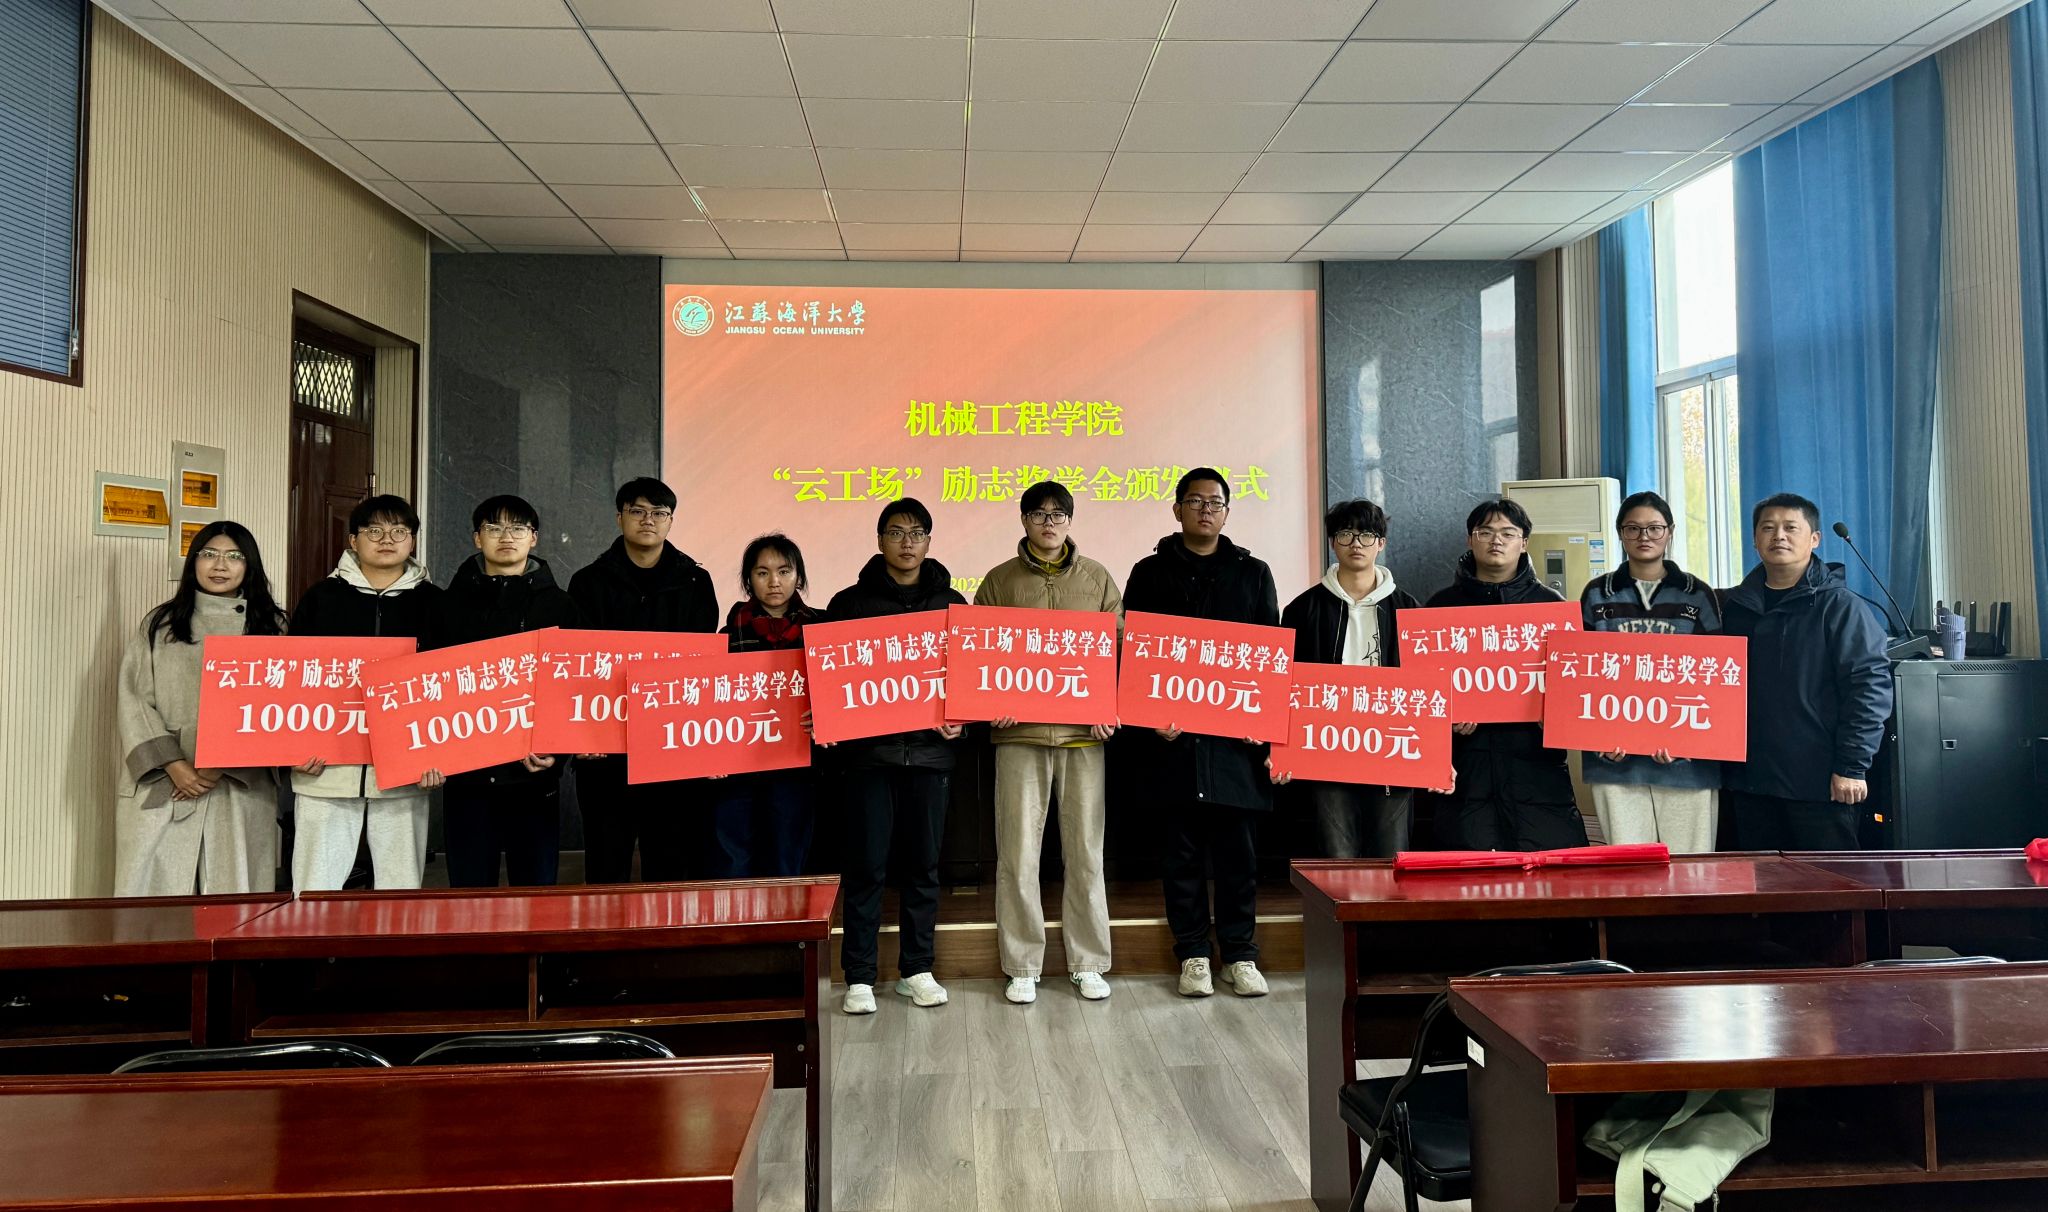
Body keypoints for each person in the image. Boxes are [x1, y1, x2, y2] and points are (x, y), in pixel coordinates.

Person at [1123, 468, 1278, 999]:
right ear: (1177, 510)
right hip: (1173, 745)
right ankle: (1192, 955)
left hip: (1235, 746)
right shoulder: (1149, 573)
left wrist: (1262, 718)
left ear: (1227, 512)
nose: (1205, 510)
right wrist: (1149, 717)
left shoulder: (1253, 573)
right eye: (1195, 501)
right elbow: (1136, 654)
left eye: (1215, 502)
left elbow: (1269, 654)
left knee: (1239, 859)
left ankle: (1239, 955)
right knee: (1180, 858)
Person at [973, 480, 1123, 1004]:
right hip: (1020, 735)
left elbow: (1118, 652)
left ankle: (1088, 961)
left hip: (1084, 738)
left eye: (1058, 514)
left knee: (1085, 853)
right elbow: (979, 657)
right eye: (1038, 513)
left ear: (1070, 521)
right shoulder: (998, 581)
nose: (1049, 522)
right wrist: (991, 702)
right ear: (1023, 520)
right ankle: (1022, 964)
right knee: (1017, 853)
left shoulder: (1097, 579)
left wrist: (1110, 708)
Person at [825, 499, 965, 1016]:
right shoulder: (848, 604)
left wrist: (962, 719)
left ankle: (917, 970)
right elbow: (830, 680)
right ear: (879, 539)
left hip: (930, 757)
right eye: (896, 532)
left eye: (917, 533)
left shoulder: (953, 604)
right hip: (870, 758)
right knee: (866, 867)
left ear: (929, 541)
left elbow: (967, 679)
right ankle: (860, 975)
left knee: (923, 867)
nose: (907, 542)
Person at [115, 522, 288, 896]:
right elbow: (134, 699)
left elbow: (278, 707)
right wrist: (174, 764)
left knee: (235, 900)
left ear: (249, 565)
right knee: (153, 899)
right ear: (193, 561)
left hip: (241, 783)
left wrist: (221, 761)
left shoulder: (272, 626)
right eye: (209, 554)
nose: (220, 565)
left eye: (234, 556)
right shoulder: (161, 623)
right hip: (166, 778)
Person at [566, 477, 718, 883]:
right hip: (605, 749)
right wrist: (580, 734)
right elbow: (577, 665)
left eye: (659, 513)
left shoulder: (695, 582)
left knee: (670, 863)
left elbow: (703, 666)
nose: (648, 520)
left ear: (670, 521)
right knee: (606, 863)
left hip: (672, 744)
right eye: (637, 511)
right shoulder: (588, 582)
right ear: (619, 518)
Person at [1719, 493, 1892, 850]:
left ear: (1814, 539)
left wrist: (1852, 766)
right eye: (1768, 528)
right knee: (1758, 882)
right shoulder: (1733, 608)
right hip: (1748, 783)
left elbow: (1868, 689)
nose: (1778, 536)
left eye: (1790, 527)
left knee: (1827, 881)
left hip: (1820, 783)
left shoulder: (1840, 607)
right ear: (1754, 540)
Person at [287, 495, 442, 891]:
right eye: (374, 531)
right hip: (325, 770)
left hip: (405, 772)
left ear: (412, 541)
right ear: (353, 540)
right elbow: (292, 681)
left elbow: (449, 686)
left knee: (399, 892)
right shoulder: (320, 598)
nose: (386, 539)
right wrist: (292, 748)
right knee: (314, 889)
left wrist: (439, 755)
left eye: (398, 531)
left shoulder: (437, 603)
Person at [435, 494, 581, 887]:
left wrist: (557, 754)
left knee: (535, 893)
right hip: (466, 776)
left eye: (517, 528)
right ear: (476, 538)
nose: (506, 536)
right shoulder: (447, 605)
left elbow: (573, 687)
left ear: (533, 538)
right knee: (468, 893)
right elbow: (429, 685)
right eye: (494, 527)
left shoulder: (561, 606)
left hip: (532, 776)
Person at [1427, 498, 1590, 851]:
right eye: (1485, 532)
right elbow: (1422, 694)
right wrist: (1446, 718)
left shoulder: (1552, 608)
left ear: (1524, 542)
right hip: (1467, 769)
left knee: (1550, 871)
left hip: (1537, 769)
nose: (1496, 540)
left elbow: (1574, 692)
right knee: (1470, 874)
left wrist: (1558, 716)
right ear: (1470, 540)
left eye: (1507, 533)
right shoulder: (1439, 608)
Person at [1578, 491, 1724, 852]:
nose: (1644, 536)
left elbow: (1718, 678)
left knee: (1691, 873)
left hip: (1687, 765)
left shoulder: (1697, 594)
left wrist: (1687, 743)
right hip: (1615, 762)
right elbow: (1579, 675)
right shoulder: (1597, 594)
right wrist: (1598, 741)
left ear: (1670, 532)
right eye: (1633, 528)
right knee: (1628, 873)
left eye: (1655, 528)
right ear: (1620, 533)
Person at [1276, 497, 1420, 857]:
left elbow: (1426, 689)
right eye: (1346, 534)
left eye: (1367, 535)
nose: (1356, 543)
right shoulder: (1302, 609)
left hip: (1392, 750)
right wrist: (1280, 751)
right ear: (1332, 542)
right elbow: (1283, 687)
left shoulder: (1409, 610)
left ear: (1381, 543)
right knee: (1336, 857)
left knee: (1391, 856)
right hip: (1326, 750)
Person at [711, 533, 822, 878]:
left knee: (787, 859)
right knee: (734, 861)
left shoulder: (822, 632)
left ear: (798, 577)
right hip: (738, 768)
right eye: (762, 572)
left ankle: (787, 917)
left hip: (796, 767)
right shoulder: (726, 638)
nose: (774, 581)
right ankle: (738, 917)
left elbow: (839, 694)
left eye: (784, 571)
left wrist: (827, 716)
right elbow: (709, 707)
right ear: (749, 580)